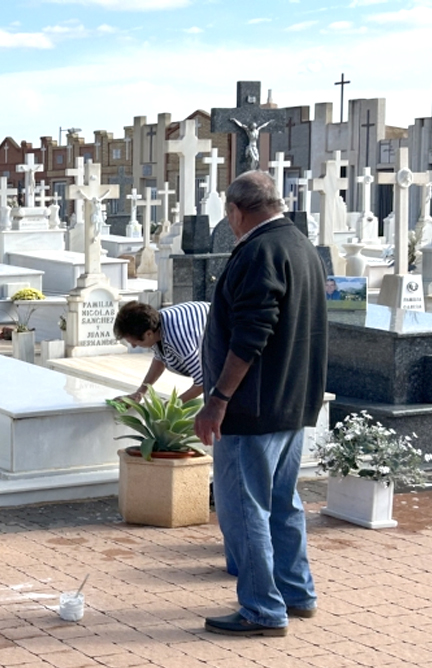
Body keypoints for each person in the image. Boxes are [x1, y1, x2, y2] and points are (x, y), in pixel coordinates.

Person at [194, 171, 327, 637]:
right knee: (282, 501)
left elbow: (253, 334)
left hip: (251, 408)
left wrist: (218, 400)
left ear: (237, 210)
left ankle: (261, 610)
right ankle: (296, 592)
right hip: (291, 402)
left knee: (245, 508)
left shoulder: (258, 251)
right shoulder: (299, 244)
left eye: (228, 215)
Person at [112, 301, 209, 403]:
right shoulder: (154, 323)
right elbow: (159, 359)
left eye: (135, 342)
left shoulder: (178, 337)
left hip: (223, 332)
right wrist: (139, 393)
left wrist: (169, 408)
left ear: (149, 334)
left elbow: (202, 383)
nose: (134, 346)